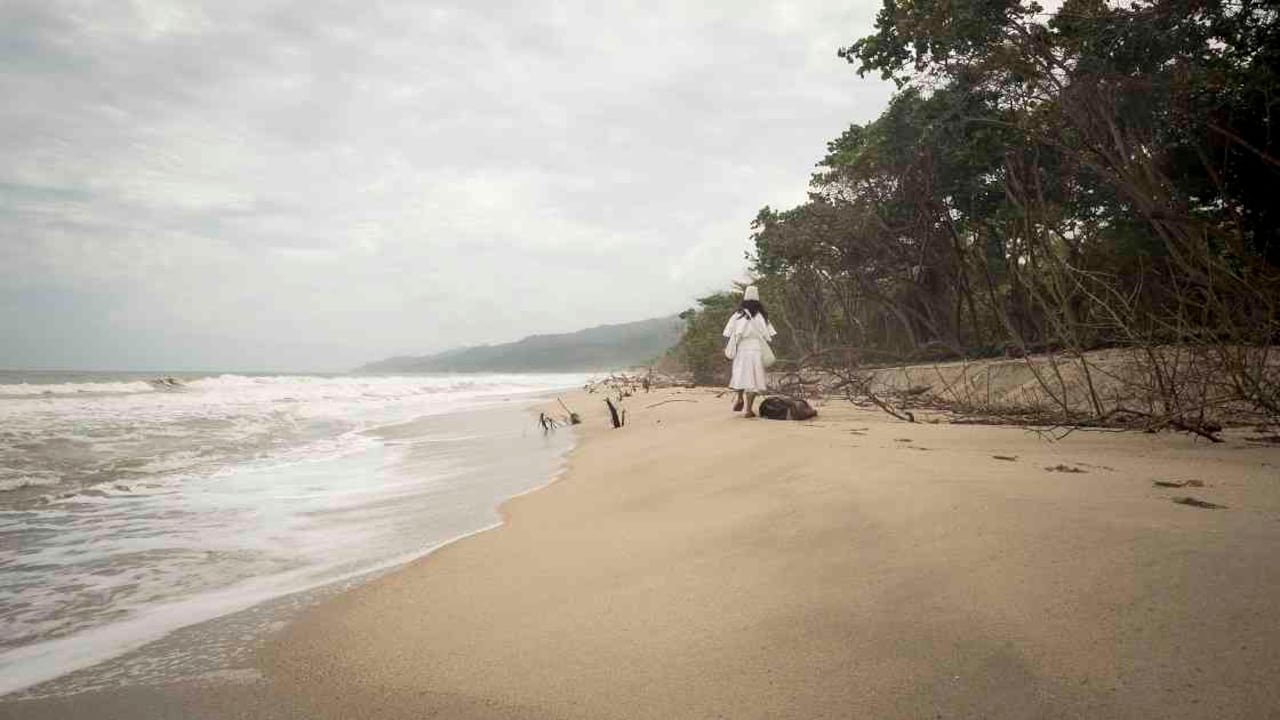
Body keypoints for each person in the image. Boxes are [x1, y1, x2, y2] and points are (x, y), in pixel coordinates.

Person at [722, 285, 777, 418]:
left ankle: (740, 397)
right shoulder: (761, 316)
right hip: (756, 348)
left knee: (740, 374)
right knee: (754, 379)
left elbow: (727, 333)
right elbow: (769, 334)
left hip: (742, 348)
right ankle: (748, 409)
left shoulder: (738, 315)